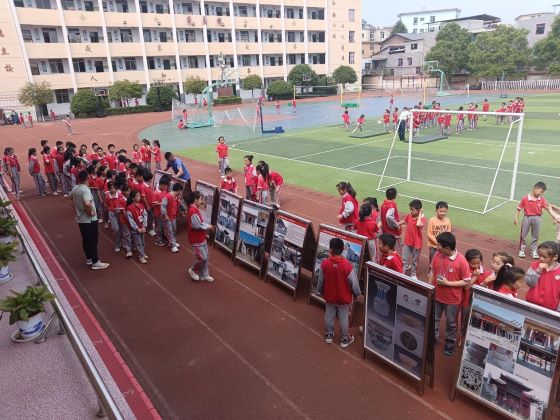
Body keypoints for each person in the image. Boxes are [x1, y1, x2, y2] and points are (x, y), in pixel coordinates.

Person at [429, 232, 471, 356]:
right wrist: (429, 285)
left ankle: (450, 342)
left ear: (447, 248)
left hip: (452, 299)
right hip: (436, 295)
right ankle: (433, 337)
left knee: (451, 322)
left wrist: (448, 283)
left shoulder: (462, 261)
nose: (437, 247)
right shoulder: (437, 254)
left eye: (439, 245)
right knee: (434, 318)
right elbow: (432, 269)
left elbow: (466, 281)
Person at [317, 237, 361, 349]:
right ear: (343, 249)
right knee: (343, 318)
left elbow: (321, 280)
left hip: (329, 296)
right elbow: (354, 283)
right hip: (344, 298)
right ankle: (344, 338)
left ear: (330, 250)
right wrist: (356, 294)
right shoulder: (348, 266)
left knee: (329, 315)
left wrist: (320, 291)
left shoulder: (325, 263)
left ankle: (329, 334)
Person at [68, 171, 109, 270]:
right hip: (90, 220)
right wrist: (90, 211)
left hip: (80, 219)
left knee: (86, 239)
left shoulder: (75, 188)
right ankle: (95, 262)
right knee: (93, 240)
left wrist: (76, 208)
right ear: (87, 179)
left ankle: (89, 258)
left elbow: (69, 198)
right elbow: (87, 202)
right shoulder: (85, 190)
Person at [515, 181, 549, 259]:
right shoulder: (525, 198)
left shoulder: (541, 199)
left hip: (537, 218)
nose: (541, 193)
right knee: (523, 234)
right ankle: (522, 250)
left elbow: (547, 208)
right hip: (527, 218)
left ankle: (534, 250)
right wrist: (516, 217)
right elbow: (519, 208)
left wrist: (554, 216)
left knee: (535, 235)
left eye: (542, 192)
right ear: (535, 188)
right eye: (540, 191)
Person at [187, 191, 214, 282]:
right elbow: (197, 225)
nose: (202, 201)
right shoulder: (192, 211)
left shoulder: (195, 209)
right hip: (196, 240)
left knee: (206, 257)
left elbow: (200, 223)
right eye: (200, 199)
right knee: (202, 258)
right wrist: (207, 226)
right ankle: (193, 270)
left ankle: (205, 275)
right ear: (195, 200)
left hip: (201, 238)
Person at [461, 249, 490, 334]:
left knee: (477, 319)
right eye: (473, 264)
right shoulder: (466, 270)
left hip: (479, 301)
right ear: (467, 262)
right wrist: (474, 277)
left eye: (478, 263)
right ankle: (463, 333)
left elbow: (485, 287)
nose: (476, 266)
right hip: (466, 300)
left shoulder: (484, 272)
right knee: (465, 319)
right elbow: (466, 287)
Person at [525, 241, 560, 311]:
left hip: (550, 309)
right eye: (539, 255)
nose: (541, 258)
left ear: (555, 257)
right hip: (530, 304)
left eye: (544, 256)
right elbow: (529, 283)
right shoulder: (535, 265)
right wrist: (537, 271)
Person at [400, 199, 425, 281]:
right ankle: (402, 272)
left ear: (419, 210)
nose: (410, 211)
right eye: (410, 209)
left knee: (415, 260)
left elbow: (418, 224)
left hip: (417, 243)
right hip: (407, 241)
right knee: (404, 258)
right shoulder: (409, 215)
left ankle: (413, 274)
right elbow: (405, 221)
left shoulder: (422, 218)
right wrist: (398, 223)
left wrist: (420, 214)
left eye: (412, 210)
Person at [160, 182, 183, 253]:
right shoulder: (167, 197)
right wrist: (165, 215)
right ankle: (173, 246)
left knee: (174, 229)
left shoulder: (175, 197)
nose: (181, 192)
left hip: (173, 217)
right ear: (179, 190)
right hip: (167, 217)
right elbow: (163, 206)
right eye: (181, 191)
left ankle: (173, 241)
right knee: (169, 231)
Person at [126, 189, 148, 264]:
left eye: (139, 196)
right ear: (133, 198)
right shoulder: (129, 208)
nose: (139, 197)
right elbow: (131, 220)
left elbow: (145, 215)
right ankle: (141, 257)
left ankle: (143, 253)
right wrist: (137, 228)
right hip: (135, 229)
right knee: (138, 243)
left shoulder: (141, 205)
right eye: (137, 196)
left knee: (143, 242)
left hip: (142, 227)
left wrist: (144, 226)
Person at [380, 187, 402, 254]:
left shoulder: (383, 204)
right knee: (398, 250)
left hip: (385, 232)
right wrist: (396, 225)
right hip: (393, 233)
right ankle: (401, 264)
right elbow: (388, 217)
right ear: (395, 195)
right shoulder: (392, 204)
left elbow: (382, 218)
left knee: (387, 250)